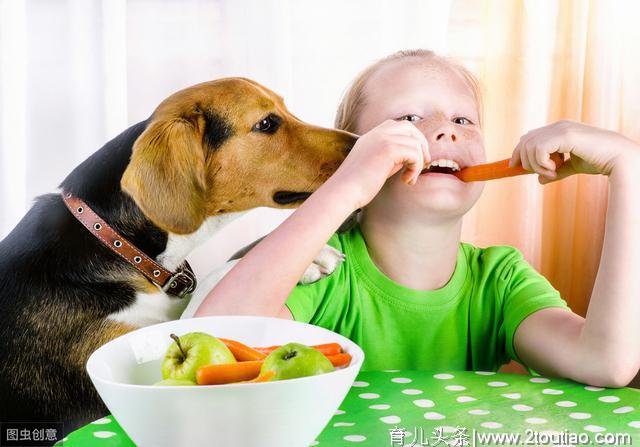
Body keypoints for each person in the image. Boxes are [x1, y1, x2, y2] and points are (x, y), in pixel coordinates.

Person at [194, 50, 640, 387]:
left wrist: (628, 167)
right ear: (358, 155)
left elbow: (605, 362)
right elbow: (216, 343)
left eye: (464, 119)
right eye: (409, 118)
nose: (447, 129)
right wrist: (345, 185)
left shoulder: (499, 281)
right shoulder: (322, 270)